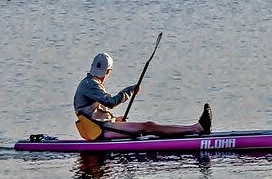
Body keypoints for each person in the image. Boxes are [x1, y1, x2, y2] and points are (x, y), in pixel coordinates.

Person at [75, 52, 211, 139]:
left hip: (100, 128)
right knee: (148, 126)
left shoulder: (88, 83)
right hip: (101, 131)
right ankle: (196, 129)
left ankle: (194, 128)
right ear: (108, 71)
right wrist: (130, 90)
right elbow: (110, 102)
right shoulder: (91, 84)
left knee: (148, 127)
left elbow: (94, 113)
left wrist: (115, 120)